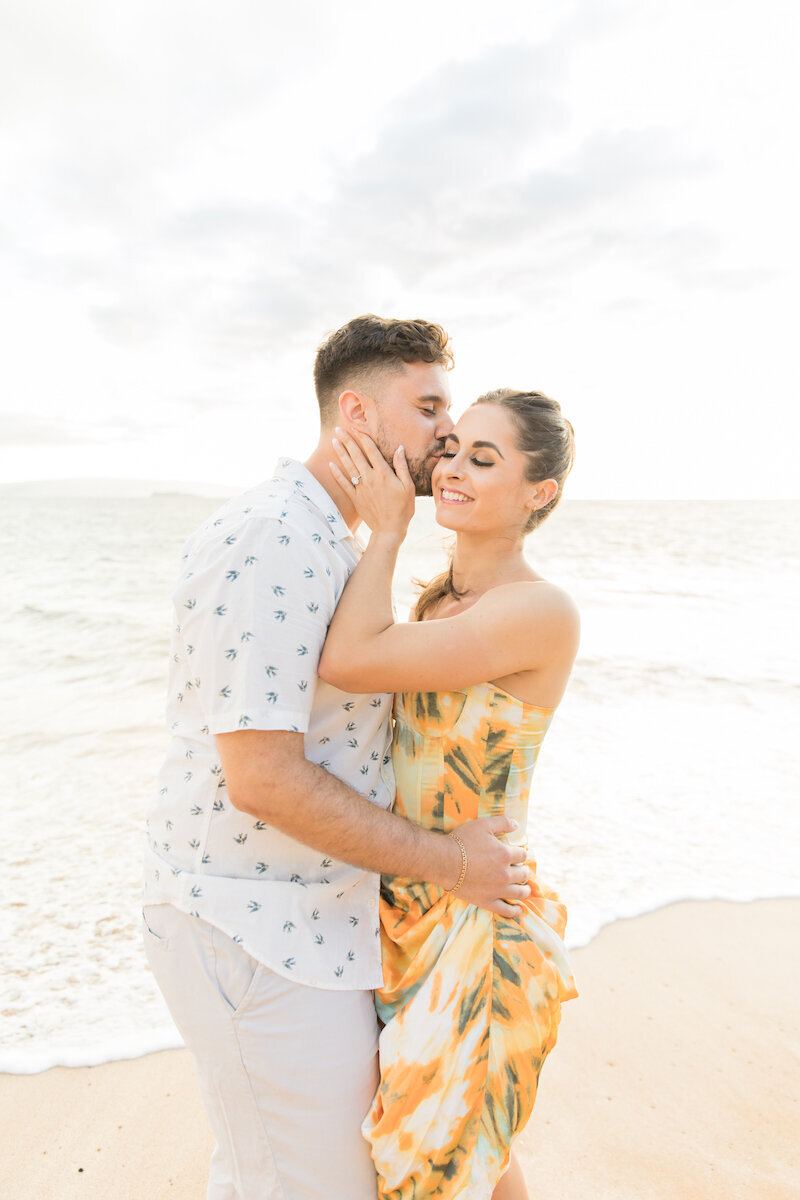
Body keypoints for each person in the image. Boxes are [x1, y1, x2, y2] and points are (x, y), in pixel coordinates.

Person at [141, 316, 531, 1200]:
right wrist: (451, 865)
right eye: (427, 407)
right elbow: (262, 777)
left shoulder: (334, 541)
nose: (447, 433)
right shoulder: (273, 539)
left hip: (315, 926)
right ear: (355, 413)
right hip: (249, 926)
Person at [319, 387, 580, 1200]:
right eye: (457, 447)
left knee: (439, 1163)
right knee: (468, 1156)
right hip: (414, 910)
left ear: (541, 494)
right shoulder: (436, 603)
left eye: (484, 458)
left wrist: (386, 525)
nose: (455, 468)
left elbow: (352, 660)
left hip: (481, 922)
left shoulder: (539, 610)